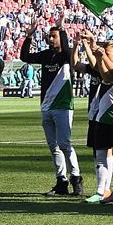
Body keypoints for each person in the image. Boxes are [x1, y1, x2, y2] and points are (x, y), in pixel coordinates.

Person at [22, 20, 82, 196]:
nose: (50, 39)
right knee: (53, 146)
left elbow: (69, 51)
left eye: (54, 36)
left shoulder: (66, 55)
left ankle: (76, 178)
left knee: (64, 144)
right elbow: (25, 57)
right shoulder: (46, 55)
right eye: (49, 36)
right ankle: (61, 181)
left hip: (63, 106)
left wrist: (62, 29)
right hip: (46, 106)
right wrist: (29, 36)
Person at [75, 33, 113, 204]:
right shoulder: (103, 68)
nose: (104, 55)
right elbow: (98, 68)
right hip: (101, 117)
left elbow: (108, 76)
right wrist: (91, 46)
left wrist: (95, 49)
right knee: (100, 155)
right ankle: (101, 190)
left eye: (108, 53)